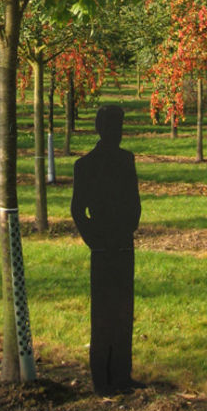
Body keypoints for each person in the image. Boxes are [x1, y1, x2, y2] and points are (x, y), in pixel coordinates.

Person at [70, 104, 141, 395]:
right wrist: (94, 240)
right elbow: (77, 209)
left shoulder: (127, 160)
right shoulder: (86, 165)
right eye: (114, 127)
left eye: (121, 127)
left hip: (123, 243)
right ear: (102, 129)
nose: (118, 133)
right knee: (103, 313)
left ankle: (122, 374)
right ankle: (102, 379)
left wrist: (129, 227)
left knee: (124, 311)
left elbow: (134, 201)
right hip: (103, 247)